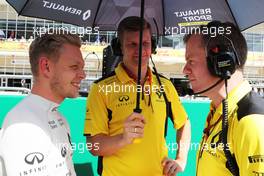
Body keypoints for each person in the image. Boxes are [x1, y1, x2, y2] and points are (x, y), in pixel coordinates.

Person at [84, 16, 191, 176]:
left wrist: (181, 159)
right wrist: (123, 139)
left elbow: (184, 123)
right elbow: (94, 147)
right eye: (132, 44)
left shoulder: (165, 86)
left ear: (152, 46)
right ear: (119, 47)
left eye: (145, 44)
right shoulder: (101, 89)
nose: (140, 50)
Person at [183, 21, 264, 175]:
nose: (185, 70)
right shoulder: (218, 112)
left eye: (191, 61)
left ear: (222, 62)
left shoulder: (251, 121)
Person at [0, 32, 85, 176]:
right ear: (46, 67)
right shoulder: (23, 125)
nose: (83, 74)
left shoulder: (59, 117)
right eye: (74, 67)